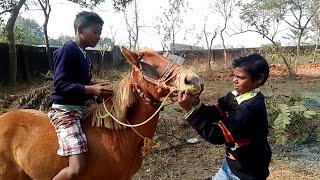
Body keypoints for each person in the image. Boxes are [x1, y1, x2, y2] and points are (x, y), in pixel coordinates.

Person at [178, 54, 272, 180]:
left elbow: (216, 135)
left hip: (248, 172)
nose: (234, 80)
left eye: (240, 77)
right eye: (234, 75)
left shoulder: (250, 108)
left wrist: (189, 111)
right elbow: (214, 112)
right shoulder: (235, 96)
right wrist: (195, 102)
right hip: (233, 165)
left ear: (259, 79)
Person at [48, 11, 111, 179]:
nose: (99, 37)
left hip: (80, 109)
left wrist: (98, 92)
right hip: (65, 112)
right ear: (80, 29)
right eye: (95, 32)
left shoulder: (85, 56)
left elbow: (82, 85)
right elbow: (60, 85)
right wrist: (91, 90)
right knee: (77, 168)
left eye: (100, 33)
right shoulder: (68, 50)